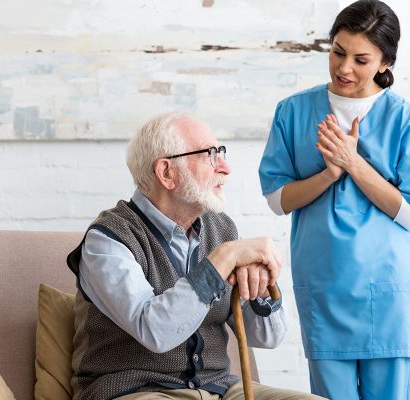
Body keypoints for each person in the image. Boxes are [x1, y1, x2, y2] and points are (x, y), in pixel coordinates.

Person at [67, 113, 325, 400]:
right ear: (166, 173)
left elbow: (267, 337)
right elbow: (155, 331)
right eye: (210, 155)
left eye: (221, 153)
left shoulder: (221, 229)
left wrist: (262, 289)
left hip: (220, 388)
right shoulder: (108, 239)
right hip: (136, 390)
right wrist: (222, 260)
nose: (225, 168)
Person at [258, 0, 410, 399]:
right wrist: (329, 174)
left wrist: (353, 164)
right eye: (338, 52)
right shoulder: (293, 111)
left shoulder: (408, 121)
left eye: (360, 59)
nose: (344, 68)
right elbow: (276, 199)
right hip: (324, 282)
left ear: (385, 63)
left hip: (387, 284)